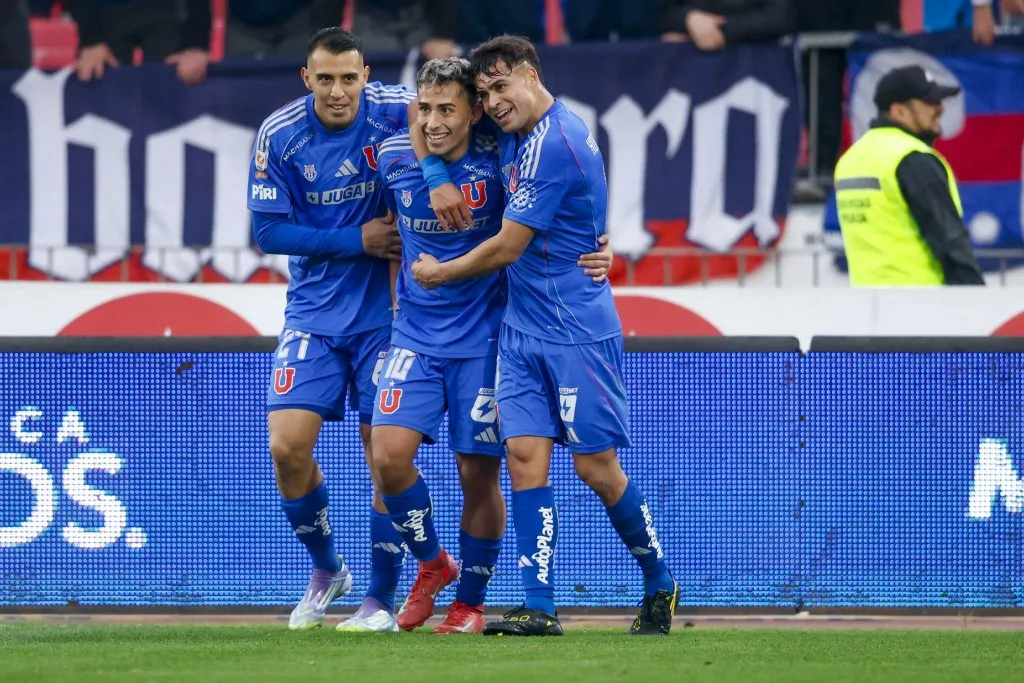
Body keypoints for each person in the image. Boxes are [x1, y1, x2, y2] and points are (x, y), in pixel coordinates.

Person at [411, 36, 678, 637]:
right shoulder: (513, 133)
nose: (493, 102)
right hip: (520, 330)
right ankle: (540, 605)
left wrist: (437, 273)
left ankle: (659, 578)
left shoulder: (554, 143)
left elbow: (508, 246)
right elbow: (418, 111)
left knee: (596, 468)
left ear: (531, 76)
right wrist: (432, 172)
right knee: (524, 458)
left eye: (501, 87)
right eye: (484, 94)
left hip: (577, 330)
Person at [368, 57, 614, 634]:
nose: (431, 121)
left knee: (477, 474)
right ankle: (432, 564)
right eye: (425, 110)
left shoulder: (502, 156)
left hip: (486, 338)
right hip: (415, 335)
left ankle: (471, 602)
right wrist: (433, 175)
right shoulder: (395, 157)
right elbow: (406, 140)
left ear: (474, 111)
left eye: (446, 109)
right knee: (387, 456)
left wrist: (602, 246)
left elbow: (562, 203)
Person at [248, 26, 415, 631]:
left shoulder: (402, 110)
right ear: (307, 78)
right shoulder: (281, 135)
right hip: (314, 314)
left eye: (349, 77)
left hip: (391, 318)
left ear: (366, 74)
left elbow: (476, 128)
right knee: (286, 447)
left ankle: (379, 597)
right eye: (326, 79)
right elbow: (267, 233)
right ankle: (326, 569)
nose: (339, 91)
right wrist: (358, 240)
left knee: (386, 457)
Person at [833, 65, 985, 286]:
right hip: (922, 304)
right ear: (899, 112)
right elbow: (950, 241)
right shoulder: (912, 158)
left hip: (870, 306)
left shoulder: (850, 160)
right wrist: (976, 302)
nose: (940, 108)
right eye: (929, 102)